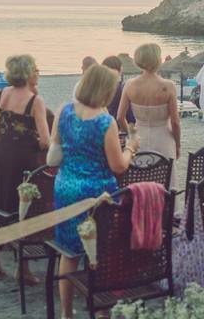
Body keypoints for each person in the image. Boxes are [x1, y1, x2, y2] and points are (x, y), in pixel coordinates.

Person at [50, 64, 140, 319]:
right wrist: (131, 147)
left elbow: (57, 149)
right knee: (100, 253)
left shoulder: (64, 111)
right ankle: (101, 311)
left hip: (66, 187)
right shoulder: (104, 121)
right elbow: (118, 165)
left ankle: (67, 313)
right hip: (97, 195)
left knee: (69, 252)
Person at [0, 54, 51, 282]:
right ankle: (22, 270)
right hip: (25, 162)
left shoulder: (0, 94)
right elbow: (45, 140)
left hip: (1, 158)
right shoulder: (35, 101)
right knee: (25, 211)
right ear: (27, 73)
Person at [116, 43, 180, 189]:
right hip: (164, 136)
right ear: (157, 60)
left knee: (140, 179)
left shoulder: (130, 85)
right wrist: (178, 145)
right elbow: (175, 122)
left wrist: (131, 135)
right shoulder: (168, 86)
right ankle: (166, 209)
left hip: (139, 137)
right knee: (165, 179)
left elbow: (120, 117)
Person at [102, 55, 133, 127]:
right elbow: (128, 115)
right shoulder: (121, 88)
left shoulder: (100, 88)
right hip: (121, 125)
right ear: (120, 69)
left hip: (105, 124)